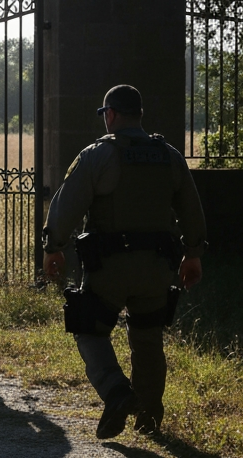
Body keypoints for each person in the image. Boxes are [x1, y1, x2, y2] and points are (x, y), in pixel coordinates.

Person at [42, 85, 206, 438]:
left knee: (89, 329)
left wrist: (53, 246)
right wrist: (193, 254)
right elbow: (192, 211)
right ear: (140, 114)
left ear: (111, 115)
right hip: (157, 269)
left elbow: (66, 206)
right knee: (147, 337)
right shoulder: (169, 155)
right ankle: (148, 418)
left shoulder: (98, 155)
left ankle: (116, 392)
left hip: (109, 269)